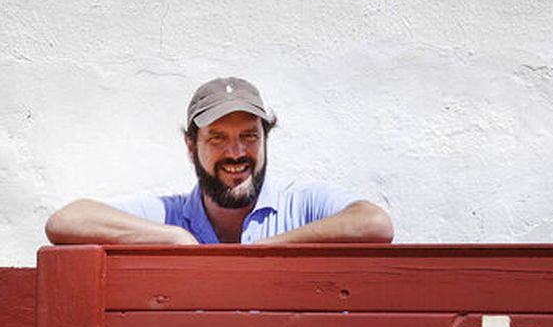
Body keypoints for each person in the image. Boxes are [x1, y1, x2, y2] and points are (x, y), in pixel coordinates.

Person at [45, 77, 394, 245]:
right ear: (189, 145)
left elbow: (376, 225)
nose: (236, 153)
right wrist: (174, 239)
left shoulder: (299, 204)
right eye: (217, 138)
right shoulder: (172, 214)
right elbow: (66, 221)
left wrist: (266, 250)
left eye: (249, 136)